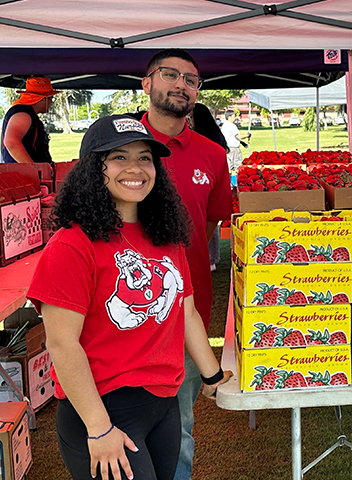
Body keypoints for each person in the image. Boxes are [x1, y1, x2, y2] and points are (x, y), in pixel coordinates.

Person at [26, 115, 231, 480]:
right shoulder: (72, 245)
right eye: (119, 157)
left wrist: (212, 376)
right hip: (103, 407)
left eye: (145, 158)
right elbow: (61, 343)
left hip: (163, 404)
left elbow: (186, 313)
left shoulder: (166, 235)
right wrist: (99, 427)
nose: (135, 168)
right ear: (93, 168)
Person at [139, 48, 233, 480]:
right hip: (118, 309)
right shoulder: (118, 145)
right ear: (147, 82)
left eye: (191, 79)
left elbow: (211, 221)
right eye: (170, 74)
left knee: (179, 424)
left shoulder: (213, 156)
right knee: (116, 420)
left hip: (185, 309)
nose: (181, 84)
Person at [187, 103, 229, 273]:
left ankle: (208, 258)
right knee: (210, 221)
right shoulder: (215, 134)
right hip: (211, 180)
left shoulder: (203, 139)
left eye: (190, 116)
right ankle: (212, 259)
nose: (188, 120)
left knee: (203, 220)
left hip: (203, 180)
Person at [1, 76, 59, 163]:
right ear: (43, 99)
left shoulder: (28, 113)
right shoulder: (23, 115)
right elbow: (11, 142)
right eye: (51, 98)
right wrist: (33, 168)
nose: (51, 102)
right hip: (22, 173)